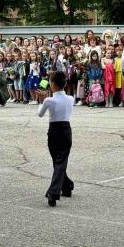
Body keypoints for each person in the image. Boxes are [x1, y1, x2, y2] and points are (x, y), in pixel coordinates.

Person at [36, 71, 75, 207]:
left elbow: (40, 114)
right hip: (65, 130)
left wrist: (41, 101)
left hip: (53, 131)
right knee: (59, 162)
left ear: (52, 84)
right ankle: (67, 186)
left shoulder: (48, 100)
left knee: (58, 162)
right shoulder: (70, 98)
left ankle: (54, 192)